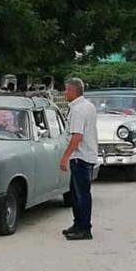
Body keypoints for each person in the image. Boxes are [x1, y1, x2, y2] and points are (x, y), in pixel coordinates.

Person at [59, 78, 98, 241]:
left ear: (73, 91)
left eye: (66, 90)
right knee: (75, 193)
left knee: (81, 194)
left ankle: (84, 228)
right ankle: (78, 224)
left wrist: (65, 157)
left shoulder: (78, 110)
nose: (64, 93)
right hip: (86, 154)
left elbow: (77, 136)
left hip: (80, 156)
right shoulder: (87, 106)